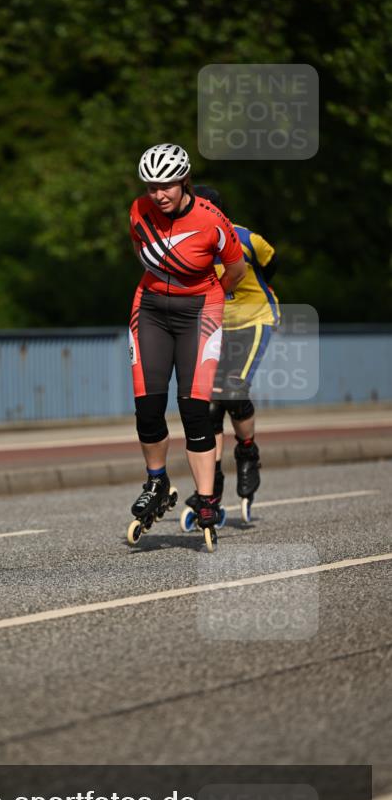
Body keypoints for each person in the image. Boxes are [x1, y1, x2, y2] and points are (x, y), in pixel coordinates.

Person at [127, 144, 246, 546]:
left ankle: (208, 498)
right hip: (150, 309)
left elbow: (236, 269)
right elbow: (144, 256)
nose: (158, 194)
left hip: (201, 309)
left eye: (166, 185)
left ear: (183, 181)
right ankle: (157, 483)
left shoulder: (212, 219)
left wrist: (211, 296)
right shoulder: (138, 210)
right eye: (152, 186)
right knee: (147, 407)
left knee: (194, 409)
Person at [190, 185, 280, 521]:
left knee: (233, 386)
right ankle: (209, 484)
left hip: (254, 319)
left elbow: (270, 267)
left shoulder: (248, 240)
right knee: (207, 403)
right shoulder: (189, 247)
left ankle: (247, 451)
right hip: (215, 325)